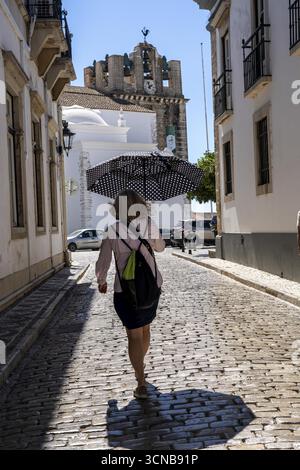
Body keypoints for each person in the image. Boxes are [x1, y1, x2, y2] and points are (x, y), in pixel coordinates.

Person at [95, 189, 165, 399]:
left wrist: (101, 280)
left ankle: (141, 381)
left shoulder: (111, 230)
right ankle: (140, 370)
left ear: (117, 207)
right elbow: (161, 248)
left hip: (125, 290)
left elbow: (104, 260)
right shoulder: (148, 224)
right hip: (151, 286)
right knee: (145, 330)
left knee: (133, 335)